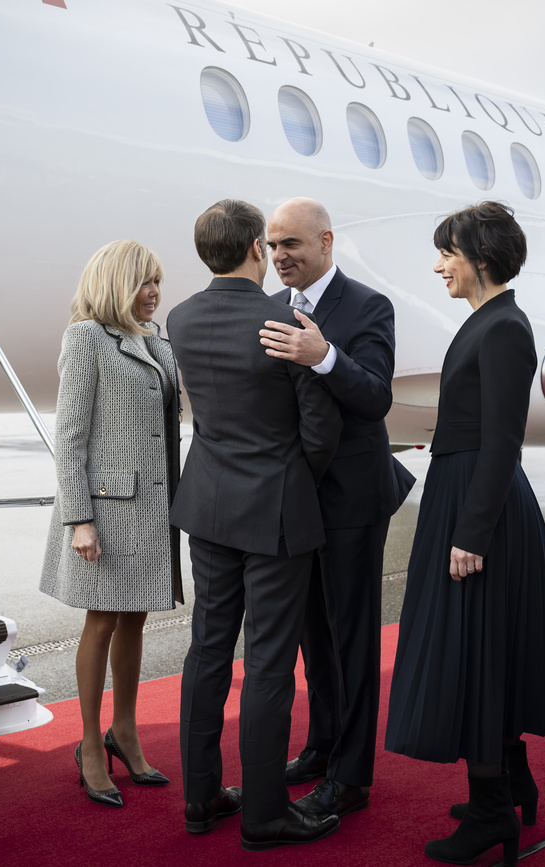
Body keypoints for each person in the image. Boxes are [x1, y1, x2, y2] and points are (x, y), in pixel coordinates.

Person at [384, 202, 545, 865]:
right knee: (490, 648)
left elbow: (503, 441)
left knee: (477, 654)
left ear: (479, 257)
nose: (438, 266)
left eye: (447, 254)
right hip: (465, 495)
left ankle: (491, 813)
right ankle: (511, 782)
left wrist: (472, 531)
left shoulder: (505, 328)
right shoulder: (488, 322)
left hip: (478, 505)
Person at [168, 198, 343, 850]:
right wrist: (291, 476)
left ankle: (200, 797)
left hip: (207, 504)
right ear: (255, 251)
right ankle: (266, 813)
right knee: (269, 664)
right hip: (273, 512)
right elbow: (320, 429)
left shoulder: (181, 318)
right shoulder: (285, 317)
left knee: (207, 653)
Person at [257, 197, 415, 820]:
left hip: (352, 500)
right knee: (311, 636)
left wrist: (321, 355)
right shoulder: (268, 311)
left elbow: (375, 397)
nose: (279, 257)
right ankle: (323, 745)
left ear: (326, 242)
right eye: (272, 246)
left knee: (351, 638)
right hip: (293, 501)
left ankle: (351, 776)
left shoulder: (369, 306)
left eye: (291, 245)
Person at [40, 239, 183, 809]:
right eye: (144, 282)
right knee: (101, 622)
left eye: (157, 283)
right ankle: (89, 745)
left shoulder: (160, 343)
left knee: (135, 621)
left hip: (154, 509)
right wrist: (79, 519)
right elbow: (69, 437)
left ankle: (124, 732)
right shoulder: (87, 338)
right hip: (106, 510)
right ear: (116, 284)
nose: (154, 293)